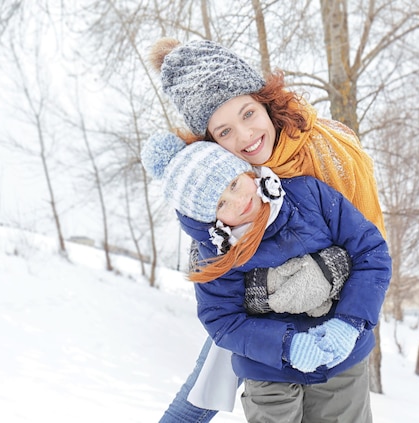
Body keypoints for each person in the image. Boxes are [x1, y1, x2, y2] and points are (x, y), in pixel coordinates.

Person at [148, 38, 389, 422]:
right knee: (201, 395)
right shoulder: (222, 180)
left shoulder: (321, 156)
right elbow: (220, 304)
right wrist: (250, 283)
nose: (244, 137)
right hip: (259, 328)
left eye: (247, 114)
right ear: (212, 143)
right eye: (224, 132)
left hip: (334, 316)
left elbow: (368, 245)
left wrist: (337, 295)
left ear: (265, 102)